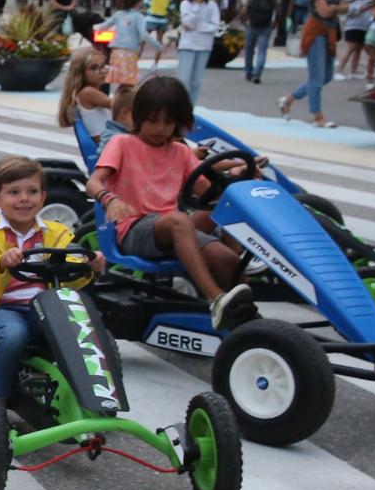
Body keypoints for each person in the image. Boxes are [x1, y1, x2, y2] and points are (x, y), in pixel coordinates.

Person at [88, 76, 255, 329]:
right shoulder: (122, 143)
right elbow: (94, 181)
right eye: (153, 120)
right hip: (132, 228)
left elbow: (208, 195)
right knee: (179, 220)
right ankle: (215, 298)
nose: (160, 128)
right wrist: (109, 200)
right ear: (138, 116)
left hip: (174, 231)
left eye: (168, 122)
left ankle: (246, 322)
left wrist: (236, 180)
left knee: (227, 260)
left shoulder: (180, 152)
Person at [0, 156, 103, 402]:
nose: (24, 198)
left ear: (43, 197)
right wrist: (2, 262)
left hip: (47, 307)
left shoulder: (55, 234)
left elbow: (71, 277)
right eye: (14, 192)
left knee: (85, 333)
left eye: (32, 192)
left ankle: (93, 397)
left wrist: (89, 266)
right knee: (13, 335)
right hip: (4, 308)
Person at [282, 0, 343, 127]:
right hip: (316, 33)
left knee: (326, 76)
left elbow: (345, 6)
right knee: (317, 77)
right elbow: (324, 11)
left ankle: (289, 99)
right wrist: (337, 7)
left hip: (330, 32)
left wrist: (334, 7)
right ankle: (318, 116)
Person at [95, 0, 149, 115]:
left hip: (117, 52)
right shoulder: (138, 16)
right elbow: (143, 35)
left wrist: (97, 33)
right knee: (128, 83)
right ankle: (121, 106)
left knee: (124, 82)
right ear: (136, 3)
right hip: (129, 53)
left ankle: (119, 105)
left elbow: (104, 26)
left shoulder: (119, 15)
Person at [174, 0, 221, 103]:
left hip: (204, 45)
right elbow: (187, 22)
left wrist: (199, 27)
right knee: (184, 79)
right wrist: (196, 7)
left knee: (196, 81)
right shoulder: (186, 4)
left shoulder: (211, 5)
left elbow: (215, 25)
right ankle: (180, 106)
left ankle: (191, 108)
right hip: (188, 45)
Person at [56, 46, 119, 138]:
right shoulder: (88, 92)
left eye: (102, 66)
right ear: (80, 73)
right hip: (105, 143)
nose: (101, 71)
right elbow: (117, 104)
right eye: (93, 68)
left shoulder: (86, 92)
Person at [241, 0, 277, 83]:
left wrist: (243, 20)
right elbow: (278, 9)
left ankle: (248, 72)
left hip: (252, 24)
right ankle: (257, 73)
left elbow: (245, 9)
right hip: (266, 24)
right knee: (262, 50)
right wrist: (276, 22)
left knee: (249, 49)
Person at [338, 0, 373, 80]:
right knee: (351, 48)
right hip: (352, 25)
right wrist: (357, 9)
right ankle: (339, 70)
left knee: (359, 49)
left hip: (364, 25)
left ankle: (353, 71)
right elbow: (344, 9)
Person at [143, 0, 175, 68]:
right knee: (159, 41)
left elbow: (146, 3)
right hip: (163, 20)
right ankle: (155, 63)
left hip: (151, 18)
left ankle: (136, 58)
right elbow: (171, 8)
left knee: (143, 40)